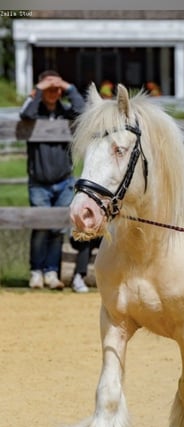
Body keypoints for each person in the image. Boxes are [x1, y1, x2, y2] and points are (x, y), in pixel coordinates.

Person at [19, 70, 85, 290]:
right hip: (39, 181)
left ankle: (51, 272)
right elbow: (25, 114)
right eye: (49, 89)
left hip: (64, 181)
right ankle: (36, 271)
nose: (53, 92)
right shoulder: (33, 113)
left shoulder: (66, 114)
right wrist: (37, 91)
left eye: (57, 89)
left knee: (58, 229)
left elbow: (83, 111)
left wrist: (69, 87)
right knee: (40, 227)